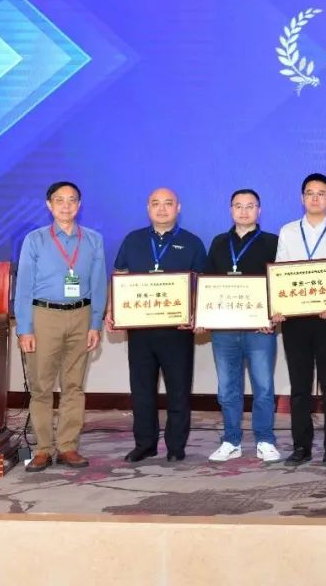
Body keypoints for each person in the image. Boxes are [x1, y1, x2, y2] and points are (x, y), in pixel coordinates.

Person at [108, 188, 207, 463]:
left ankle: (176, 446)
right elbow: (119, 275)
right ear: (147, 208)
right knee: (142, 390)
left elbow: (203, 284)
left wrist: (199, 315)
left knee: (178, 390)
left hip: (177, 332)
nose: (162, 209)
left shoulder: (192, 242)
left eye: (168, 203)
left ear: (178, 208)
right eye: (155, 203)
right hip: (140, 330)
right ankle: (145, 444)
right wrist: (111, 310)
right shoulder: (133, 240)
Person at [15, 181, 107, 472]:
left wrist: (95, 323)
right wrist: (25, 328)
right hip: (44, 317)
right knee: (41, 387)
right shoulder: (35, 240)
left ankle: (68, 446)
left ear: (79, 205)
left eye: (72, 200)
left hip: (81, 316)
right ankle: (43, 448)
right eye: (59, 200)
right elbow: (24, 286)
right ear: (49, 205)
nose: (66, 206)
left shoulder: (93, 240)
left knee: (74, 386)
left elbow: (98, 284)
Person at [273, 173, 326, 467]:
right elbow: (280, 273)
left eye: (321, 193)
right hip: (295, 321)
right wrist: (278, 306)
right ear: (302, 198)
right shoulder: (288, 232)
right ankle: (301, 446)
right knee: (300, 387)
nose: (315, 198)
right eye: (310, 193)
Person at [203, 189, 281, 464]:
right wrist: (204, 316)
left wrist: (272, 316)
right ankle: (231, 440)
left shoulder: (272, 242)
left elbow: (280, 283)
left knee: (263, 388)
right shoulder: (218, 242)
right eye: (238, 206)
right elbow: (207, 283)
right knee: (227, 389)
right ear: (230, 210)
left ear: (259, 210)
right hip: (224, 330)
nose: (244, 211)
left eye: (250, 206)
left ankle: (265, 440)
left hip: (260, 330)